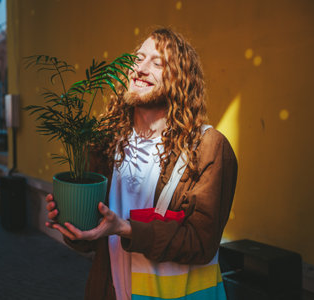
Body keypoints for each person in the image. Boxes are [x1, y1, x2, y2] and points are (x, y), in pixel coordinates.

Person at [45, 28, 238, 300]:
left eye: (157, 63)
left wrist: (125, 229)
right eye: (138, 58)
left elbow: (200, 242)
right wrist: (74, 228)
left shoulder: (208, 148)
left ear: (181, 80)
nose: (140, 68)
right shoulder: (104, 143)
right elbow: (93, 242)